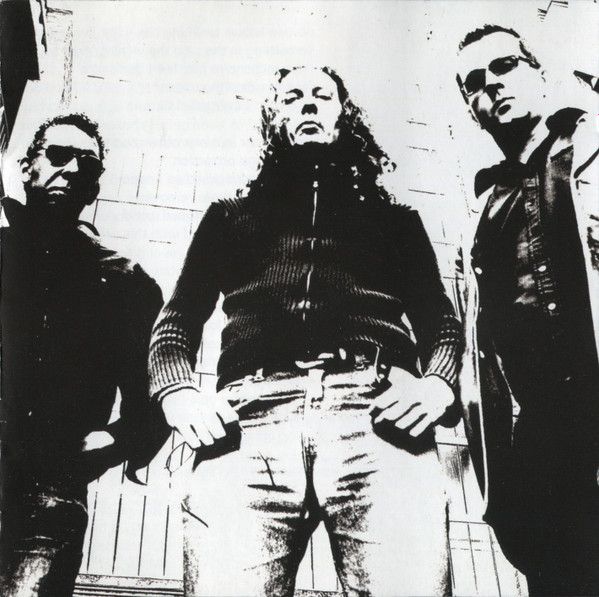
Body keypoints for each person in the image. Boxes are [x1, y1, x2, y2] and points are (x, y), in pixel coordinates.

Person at [149, 66, 462, 596]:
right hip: (248, 423)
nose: (308, 104)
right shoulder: (229, 217)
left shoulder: (396, 221)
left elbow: (442, 322)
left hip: (377, 416)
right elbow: (177, 319)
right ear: (274, 118)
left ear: (344, 116)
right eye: (293, 97)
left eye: (322, 95)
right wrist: (176, 390)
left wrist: (438, 384)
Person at [455, 25, 599, 595]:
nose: (492, 84)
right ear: (472, 110)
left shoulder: (590, 147)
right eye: (475, 82)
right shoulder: (482, 212)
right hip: (544, 441)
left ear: (538, 72)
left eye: (505, 66)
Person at [0, 113, 169, 596]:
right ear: (28, 167)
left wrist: (114, 441)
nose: (72, 169)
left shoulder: (125, 283)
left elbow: (155, 395)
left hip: (47, 494)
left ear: (94, 188)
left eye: (87, 165)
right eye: (58, 156)